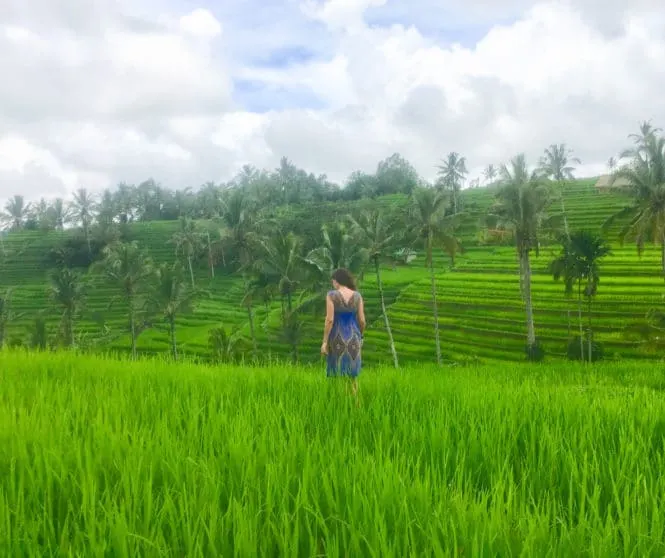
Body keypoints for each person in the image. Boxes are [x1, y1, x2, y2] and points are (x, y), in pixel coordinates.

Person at [321, 268, 366, 398]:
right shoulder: (357, 296)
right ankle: (355, 407)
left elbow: (329, 320)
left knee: (336, 374)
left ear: (336, 281)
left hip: (337, 337)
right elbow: (362, 321)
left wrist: (324, 342)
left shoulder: (331, 295)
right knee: (352, 377)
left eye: (333, 281)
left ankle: (339, 404)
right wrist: (360, 335)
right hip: (353, 337)